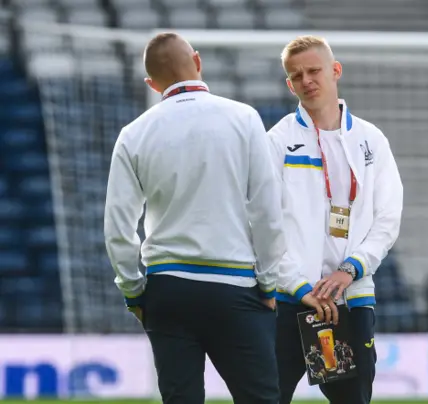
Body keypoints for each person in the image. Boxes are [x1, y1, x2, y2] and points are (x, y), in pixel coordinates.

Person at [103, 32, 285, 404]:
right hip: (236, 287)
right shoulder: (244, 118)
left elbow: (119, 228)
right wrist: (268, 283)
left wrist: (133, 291)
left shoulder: (133, 134)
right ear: (198, 62)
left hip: (168, 288)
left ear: (151, 84)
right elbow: (267, 210)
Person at [267, 35, 403, 404]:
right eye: (296, 75)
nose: (306, 80)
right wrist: (298, 287)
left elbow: (388, 218)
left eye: (314, 71)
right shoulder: (276, 142)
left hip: (349, 299)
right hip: (289, 299)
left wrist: (351, 269)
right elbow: (262, 226)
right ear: (289, 83)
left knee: (350, 401)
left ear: (335, 70)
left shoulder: (371, 141)